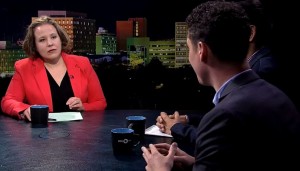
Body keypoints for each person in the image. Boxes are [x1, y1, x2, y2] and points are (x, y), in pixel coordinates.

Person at [141, 1, 300, 171]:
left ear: (201, 50)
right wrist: (198, 163)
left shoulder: (224, 116)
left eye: (188, 48)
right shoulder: (276, 96)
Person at [155, 0, 283, 147]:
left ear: (250, 33)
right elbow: (232, 124)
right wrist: (188, 119)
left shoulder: (261, 72)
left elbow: (224, 139)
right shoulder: (254, 71)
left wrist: (176, 129)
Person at [1, 16, 107, 121]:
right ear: (34, 46)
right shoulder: (24, 68)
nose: (50, 43)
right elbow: (8, 101)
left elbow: (100, 102)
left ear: (60, 38)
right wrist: (24, 110)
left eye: (53, 37)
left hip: (80, 133)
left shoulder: (82, 63)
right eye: (42, 40)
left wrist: (83, 107)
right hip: (41, 134)